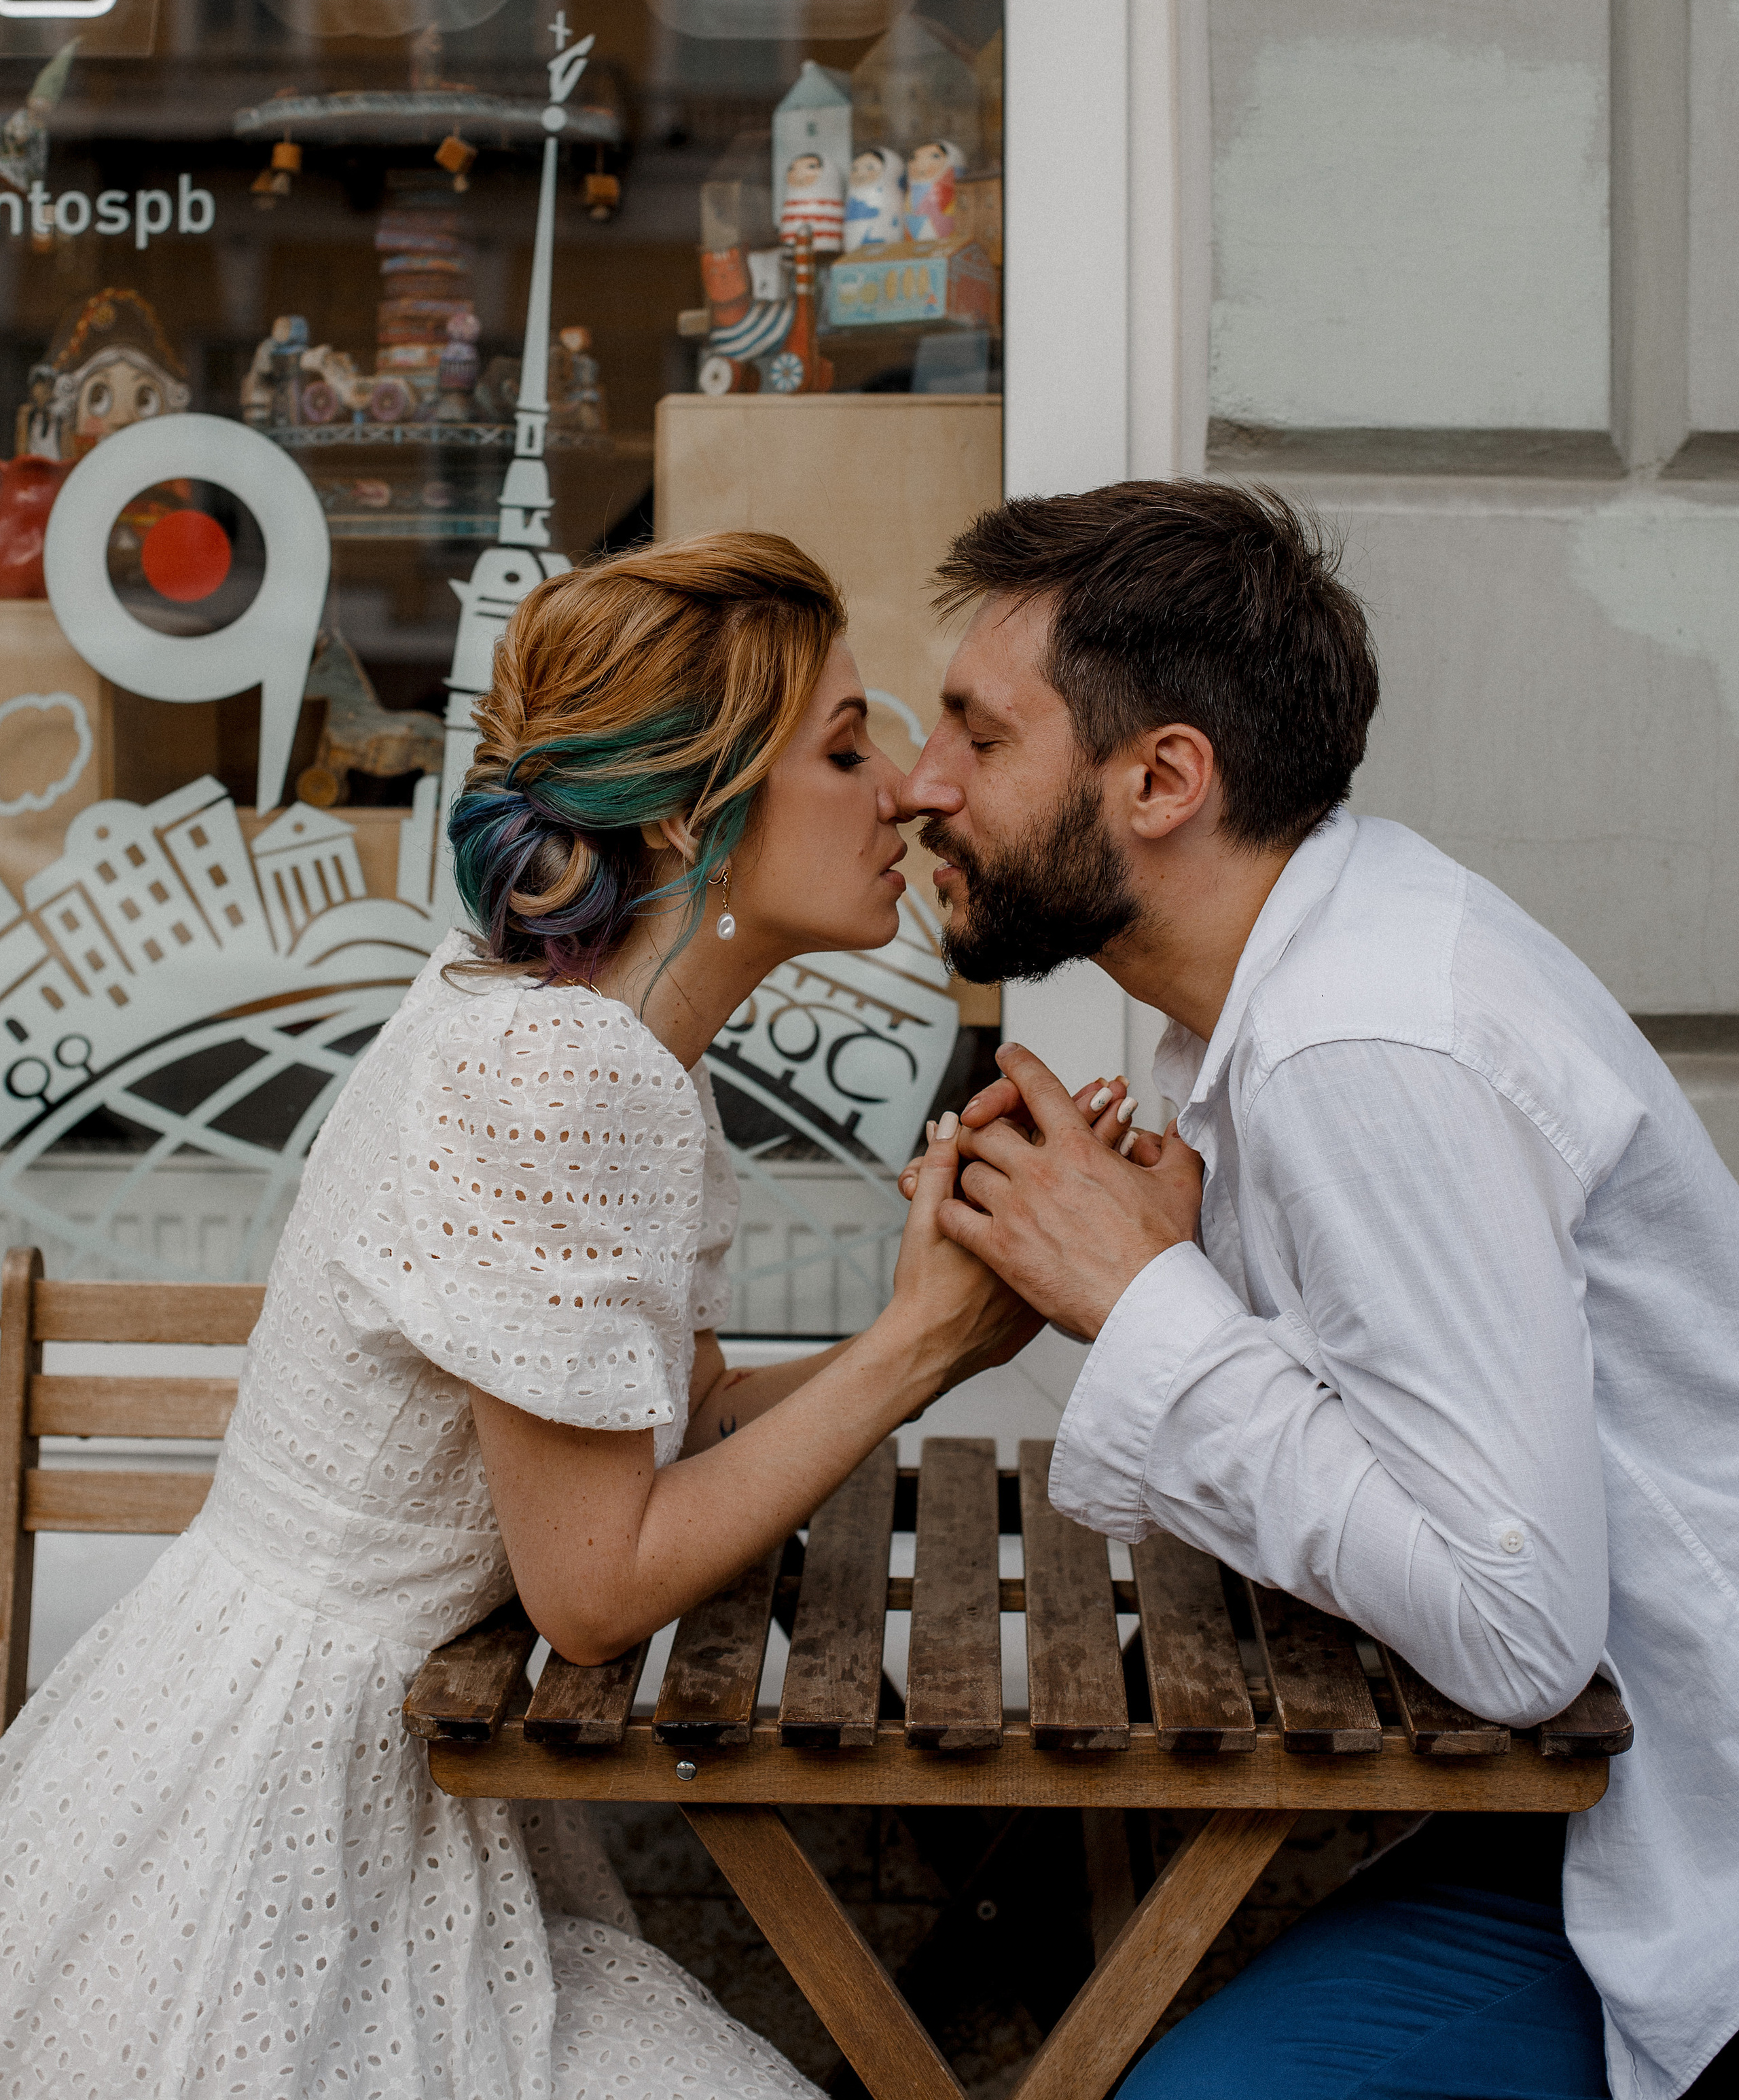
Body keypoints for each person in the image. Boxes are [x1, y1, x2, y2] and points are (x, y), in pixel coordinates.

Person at [0, 530, 1035, 2100]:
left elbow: (672, 1426)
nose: (902, 790)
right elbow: (594, 1590)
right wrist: (916, 1351)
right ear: (685, 811)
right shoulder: (569, 1073)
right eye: (845, 748)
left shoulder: (575, 1034)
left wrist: (936, 1318)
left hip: (304, 1733)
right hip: (289, 1816)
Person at [893, 481, 1739, 2100]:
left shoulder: (1358, 1045)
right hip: (1579, 1806)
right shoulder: (1292, 979)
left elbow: (1510, 1629)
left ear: (1162, 780)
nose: (924, 783)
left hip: (1683, 1848)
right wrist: (1195, 1274)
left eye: (979, 737)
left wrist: (1148, 1301)